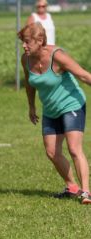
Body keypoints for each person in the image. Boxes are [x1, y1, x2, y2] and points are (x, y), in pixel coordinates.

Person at [18, 22, 91, 204]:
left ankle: (86, 192)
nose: (23, 46)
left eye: (27, 42)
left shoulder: (57, 56)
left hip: (71, 104)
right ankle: (72, 187)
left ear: (40, 40)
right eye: (22, 42)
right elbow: (29, 83)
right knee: (52, 152)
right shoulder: (25, 60)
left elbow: (83, 75)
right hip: (50, 109)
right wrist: (31, 106)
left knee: (74, 149)